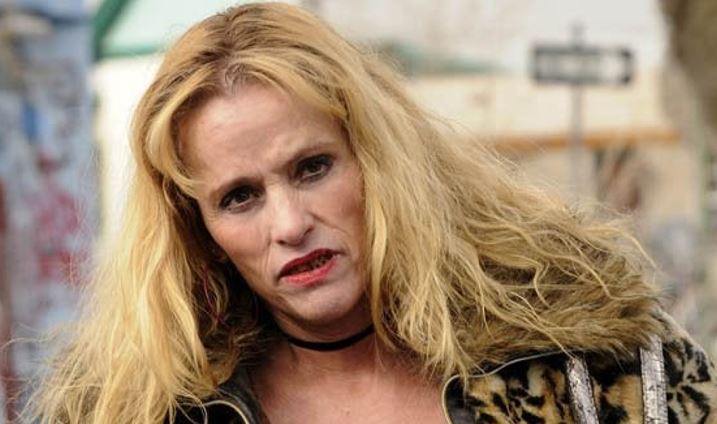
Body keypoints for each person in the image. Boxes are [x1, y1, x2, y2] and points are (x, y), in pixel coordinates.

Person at [31, 3, 717, 423]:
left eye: (312, 168)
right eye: (239, 197)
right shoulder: (135, 410)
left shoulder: (594, 365)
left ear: (380, 162)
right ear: (199, 230)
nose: (289, 224)